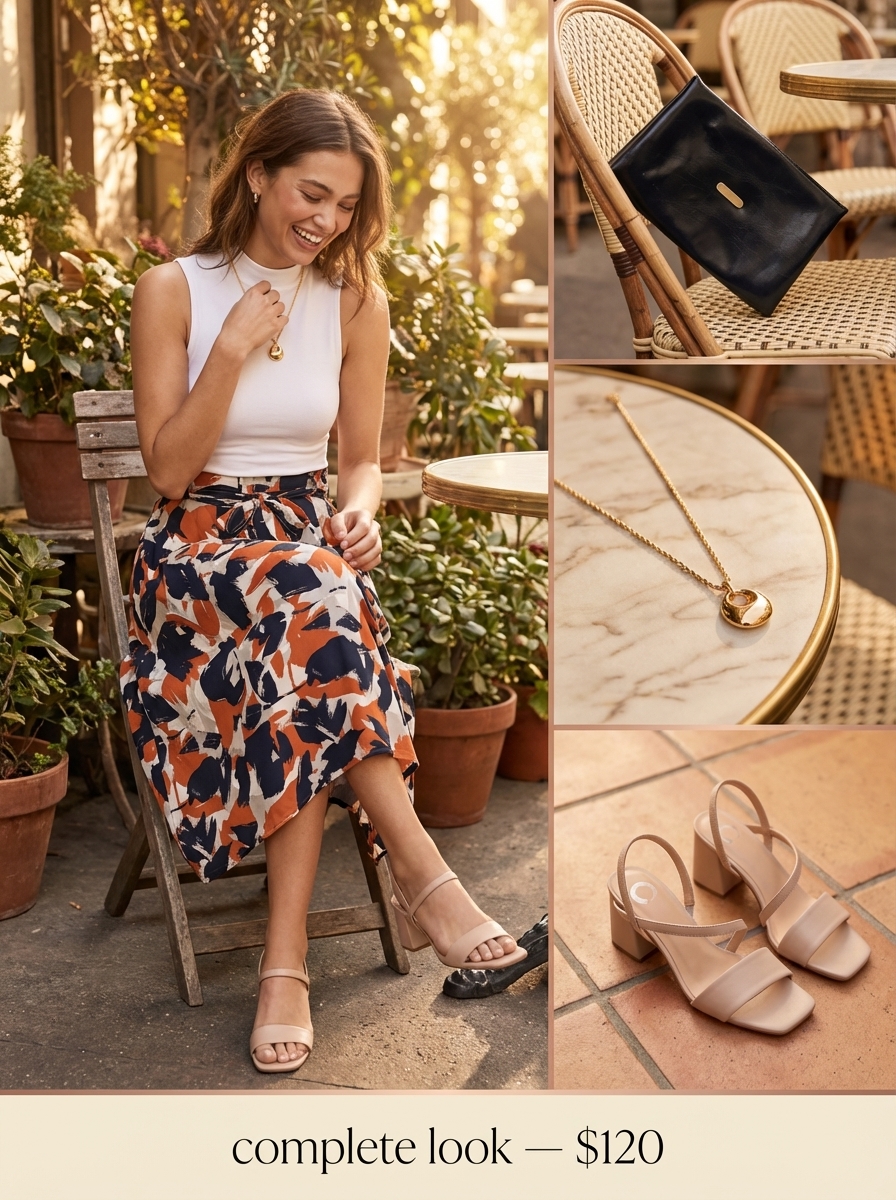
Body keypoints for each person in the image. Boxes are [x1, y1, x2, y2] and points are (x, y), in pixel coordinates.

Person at [124, 89, 525, 1074]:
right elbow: (166, 473)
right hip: (196, 566)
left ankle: (284, 965)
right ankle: (423, 877)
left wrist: (362, 508)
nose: (326, 221)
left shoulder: (354, 297)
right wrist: (227, 349)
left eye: (345, 206)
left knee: (305, 624)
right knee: (308, 616)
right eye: (312, 193)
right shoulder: (174, 291)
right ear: (258, 174)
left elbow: (358, 459)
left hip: (302, 561)